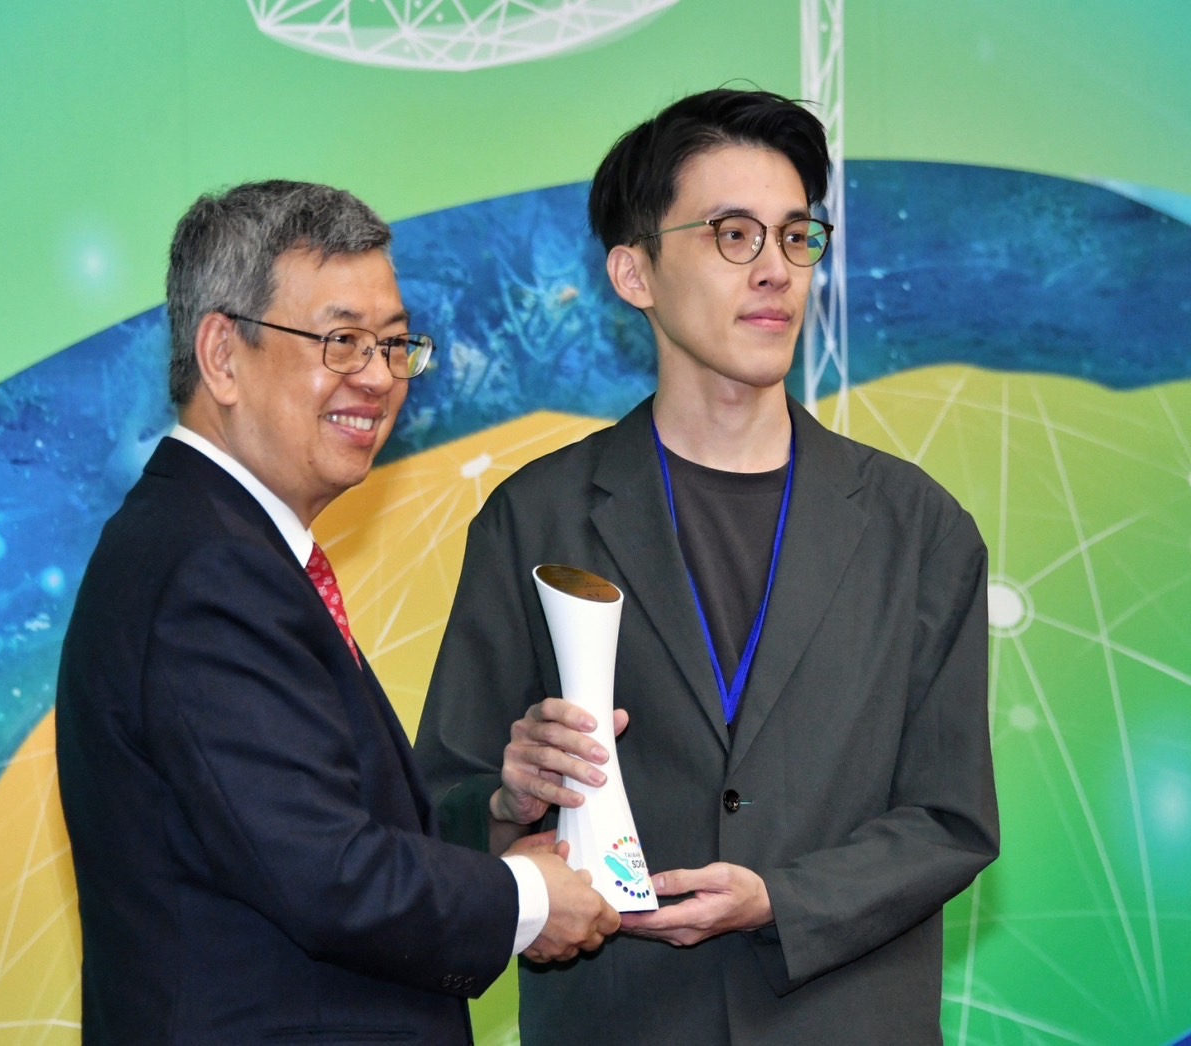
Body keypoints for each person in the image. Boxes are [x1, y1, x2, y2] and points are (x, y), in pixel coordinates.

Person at [414, 90, 999, 1043]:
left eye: (797, 237)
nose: (775, 270)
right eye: (733, 235)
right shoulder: (535, 517)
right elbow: (440, 808)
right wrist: (507, 803)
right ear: (634, 272)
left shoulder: (919, 529)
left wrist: (783, 900)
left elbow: (951, 818)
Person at [56, 180, 619, 1045]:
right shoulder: (208, 569)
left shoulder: (219, 543)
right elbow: (327, 871)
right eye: (342, 341)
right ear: (222, 355)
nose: (380, 378)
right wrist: (529, 898)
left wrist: (499, 815)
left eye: (394, 345)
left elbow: (311, 825)